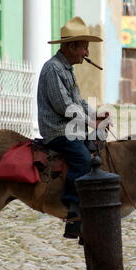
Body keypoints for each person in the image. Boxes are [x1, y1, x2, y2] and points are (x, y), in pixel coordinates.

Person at [37, 16, 105, 239]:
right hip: (57, 131)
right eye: (84, 47)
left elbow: (79, 101)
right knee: (83, 160)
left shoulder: (67, 69)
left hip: (72, 129)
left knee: (99, 150)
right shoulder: (52, 69)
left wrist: (96, 115)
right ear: (70, 46)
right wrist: (90, 122)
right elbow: (64, 106)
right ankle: (73, 211)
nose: (86, 53)